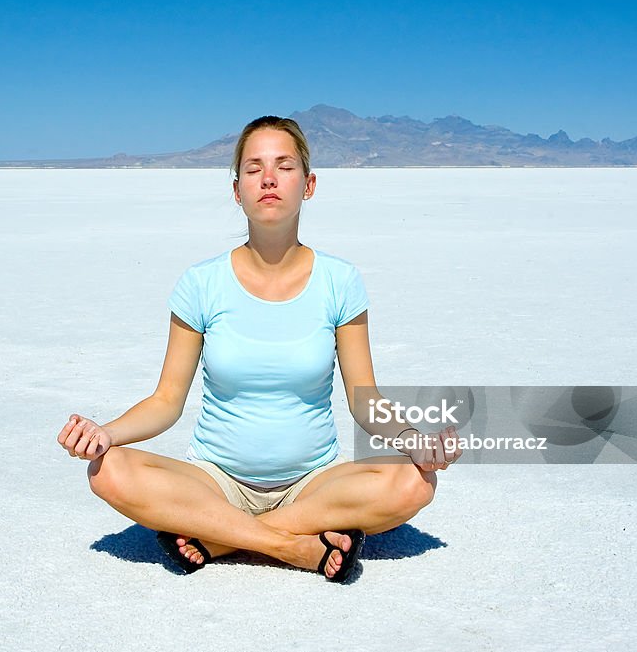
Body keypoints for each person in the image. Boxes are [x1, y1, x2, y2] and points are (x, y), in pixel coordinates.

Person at [57, 115, 460, 583]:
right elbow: (166, 401)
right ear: (237, 190)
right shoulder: (201, 283)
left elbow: (364, 399)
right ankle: (292, 545)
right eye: (253, 168)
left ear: (308, 185)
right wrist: (105, 434)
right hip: (215, 481)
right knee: (107, 470)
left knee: (414, 481)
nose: (268, 178)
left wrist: (412, 440)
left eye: (284, 166)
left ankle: (219, 538)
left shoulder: (340, 281)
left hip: (315, 484)